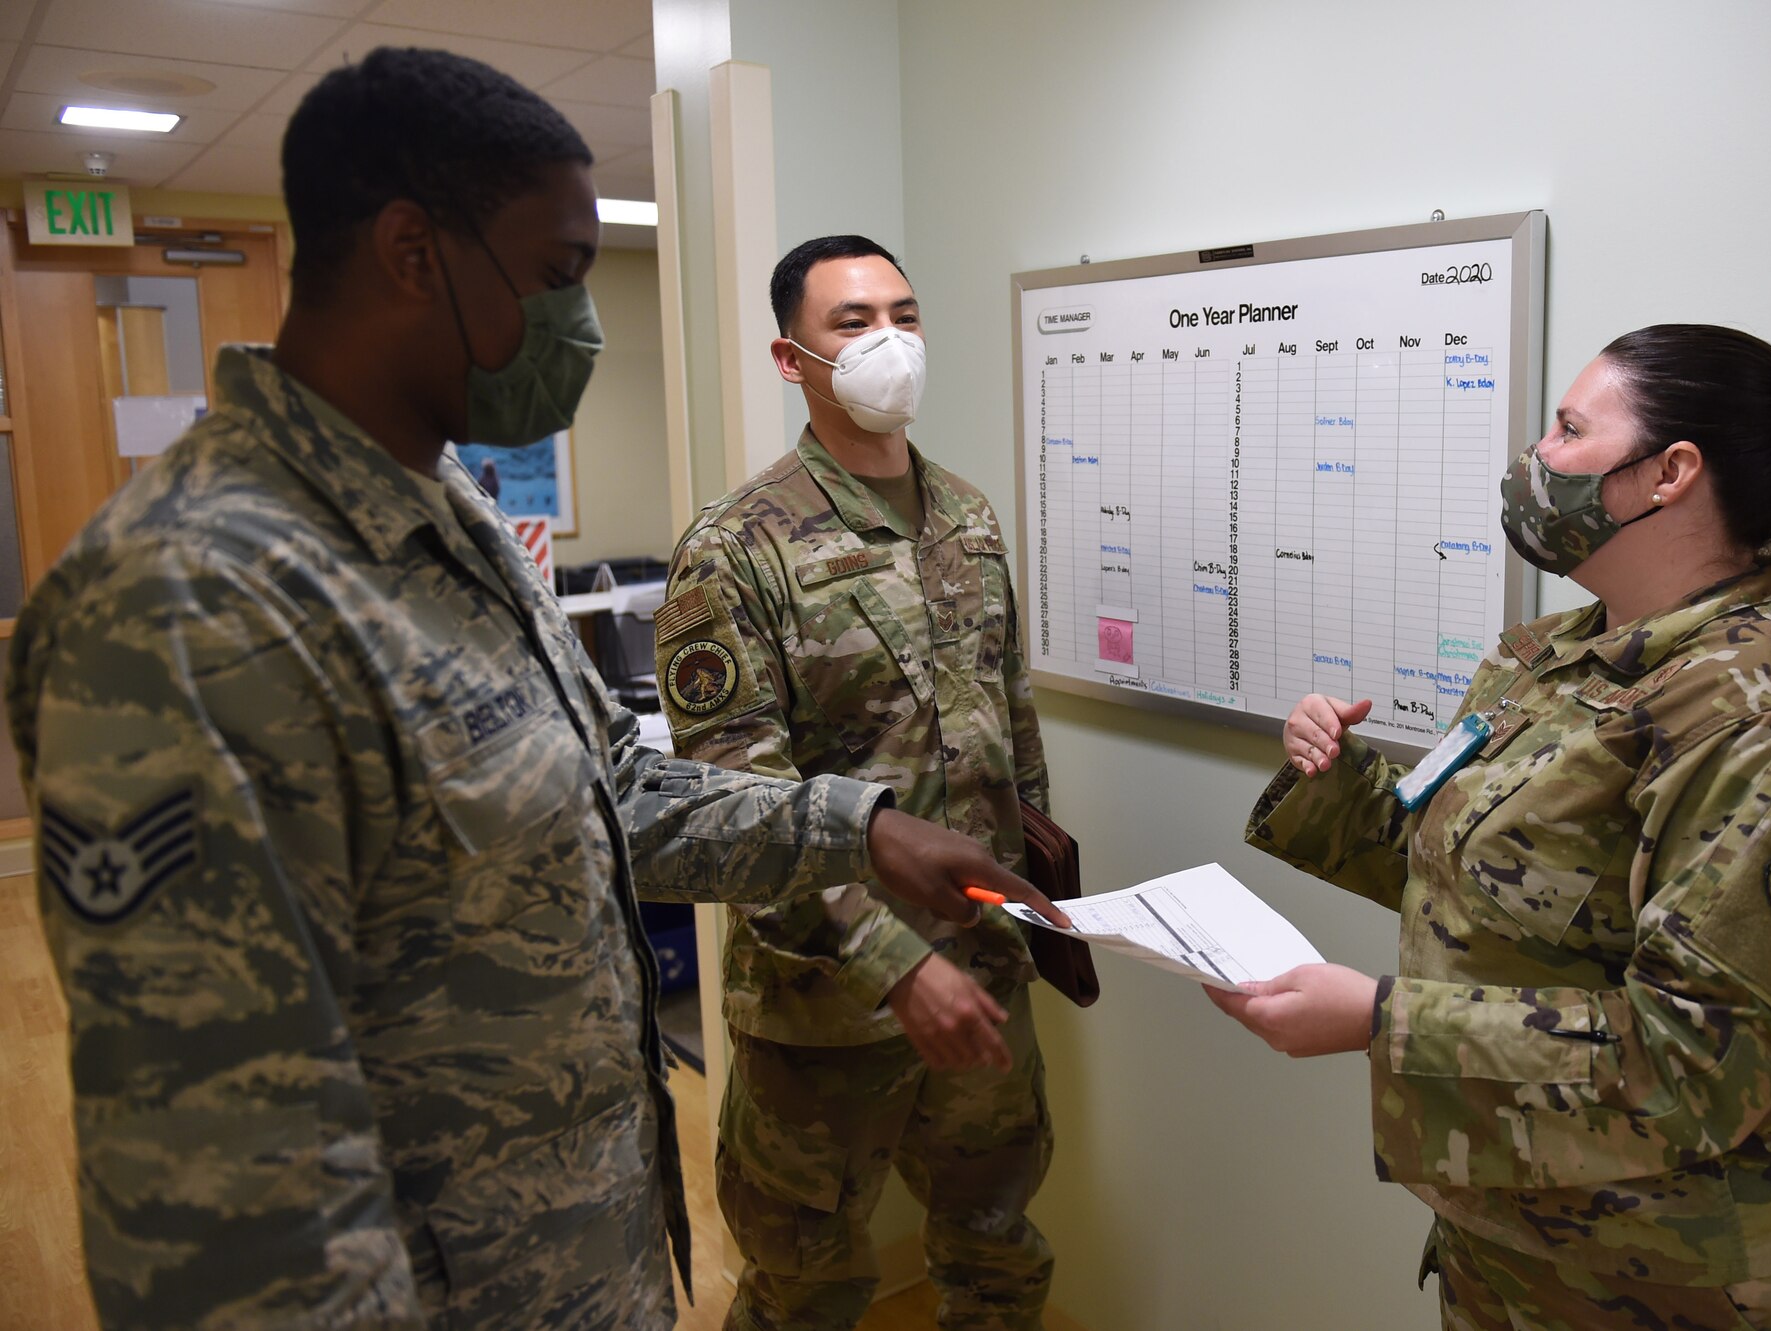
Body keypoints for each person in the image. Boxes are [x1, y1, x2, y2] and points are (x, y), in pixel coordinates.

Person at [5, 52, 1062, 1331]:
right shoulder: (192, 601)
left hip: (578, 1249)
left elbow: (613, 786)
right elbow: (227, 1202)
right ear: (413, 252)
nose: (586, 321)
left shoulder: (444, 516)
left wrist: (858, 824)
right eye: (561, 272)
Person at [1209, 325, 1771, 1330]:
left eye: (1566, 429)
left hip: (1692, 1279)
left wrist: (1378, 1017)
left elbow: (1697, 1060)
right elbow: (1472, 881)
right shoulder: (1548, 658)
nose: (1535, 458)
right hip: (1518, 1235)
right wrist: (1330, 779)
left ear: (1669, 472)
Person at [656, 235, 1055, 1331]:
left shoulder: (967, 516)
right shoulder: (736, 549)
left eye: (903, 312)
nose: (890, 339)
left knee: (998, 1255)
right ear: (794, 358)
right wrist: (895, 966)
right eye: (852, 320)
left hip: (982, 967)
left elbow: (1008, 724)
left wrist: (1039, 887)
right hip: (826, 1005)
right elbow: (732, 803)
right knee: (805, 1290)